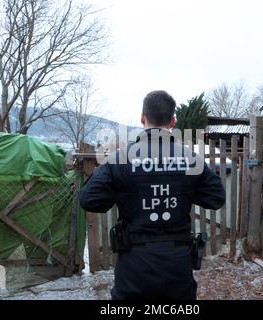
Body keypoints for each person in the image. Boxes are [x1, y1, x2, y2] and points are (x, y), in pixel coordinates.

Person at [79, 90, 225, 300]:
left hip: (134, 269)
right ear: (173, 120)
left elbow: (88, 199)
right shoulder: (191, 159)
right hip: (178, 268)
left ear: (142, 118)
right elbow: (216, 197)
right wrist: (185, 190)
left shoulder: (120, 159)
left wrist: (120, 189)